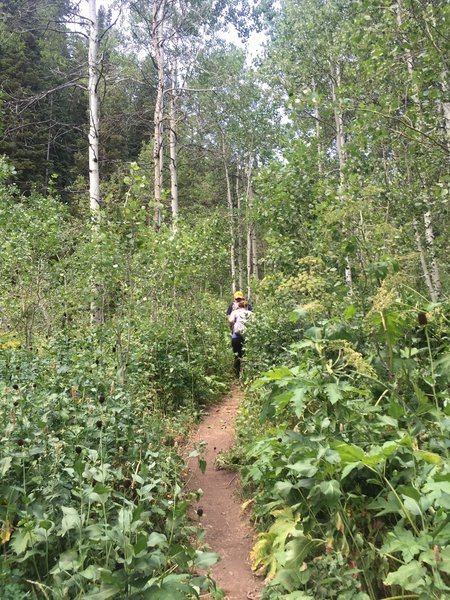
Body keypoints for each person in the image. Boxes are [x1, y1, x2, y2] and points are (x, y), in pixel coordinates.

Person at [228, 299, 253, 377]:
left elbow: (230, 320)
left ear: (238, 306)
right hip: (247, 336)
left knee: (237, 355)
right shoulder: (251, 313)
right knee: (246, 355)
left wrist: (235, 323)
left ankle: (237, 374)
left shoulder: (235, 312)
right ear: (246, 306)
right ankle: (245, 373)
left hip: (236, 336)